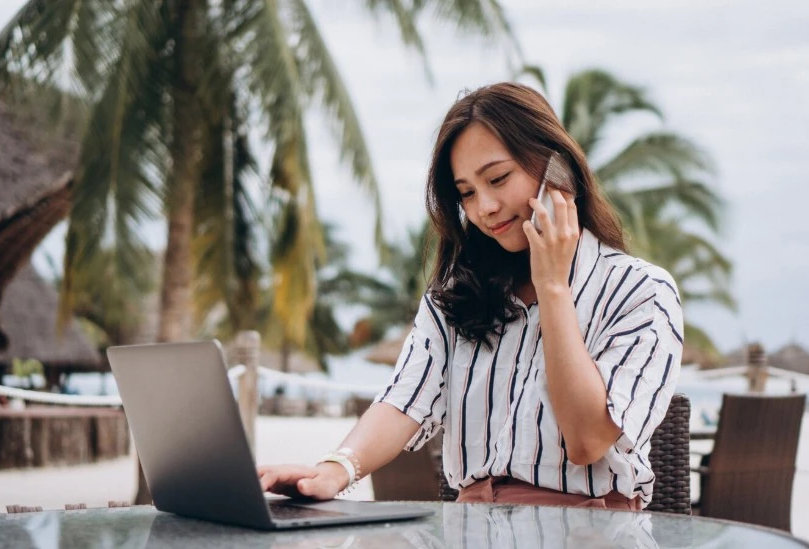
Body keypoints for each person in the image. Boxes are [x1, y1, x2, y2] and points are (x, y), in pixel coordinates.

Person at [259, 82, 683, 509]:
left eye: (498, 179)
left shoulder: (641, 292)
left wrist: (553, 285)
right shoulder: (457, 295)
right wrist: (334, 470)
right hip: (472, 526)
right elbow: (405, 397)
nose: (486, 208)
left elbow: (587, 440)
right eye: (467, 193)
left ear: (559, 170)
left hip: (591, 532)